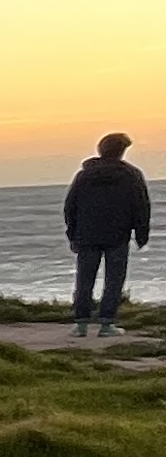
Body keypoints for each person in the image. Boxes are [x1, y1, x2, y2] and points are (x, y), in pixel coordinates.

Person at [64, 131, 150, 335]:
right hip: (118, 235)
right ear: (121, 151)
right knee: (114, 280)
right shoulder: (131, 174)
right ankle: (106, 323)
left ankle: (81, 324)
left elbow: (70, 206)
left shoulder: (84, 175)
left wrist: (72, 233)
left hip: (87, 235)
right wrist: (141, 234)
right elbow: (141, 206)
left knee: (84, 279)